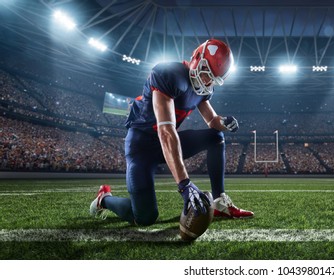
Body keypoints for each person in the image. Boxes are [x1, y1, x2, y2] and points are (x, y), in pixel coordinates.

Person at [89, 39, 254, 226]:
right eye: (207, 74)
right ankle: (105, 199)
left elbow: (212, 121)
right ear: (197, 60)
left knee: (216, 137)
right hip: (141, 148)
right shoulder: (169, 74)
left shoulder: (202, 88)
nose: (207, 81)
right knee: (144, 217)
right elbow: (166, 131)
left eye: (213, 79)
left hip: (163, 145)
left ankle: (219, 202)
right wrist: (184, 185)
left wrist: (225, 123)